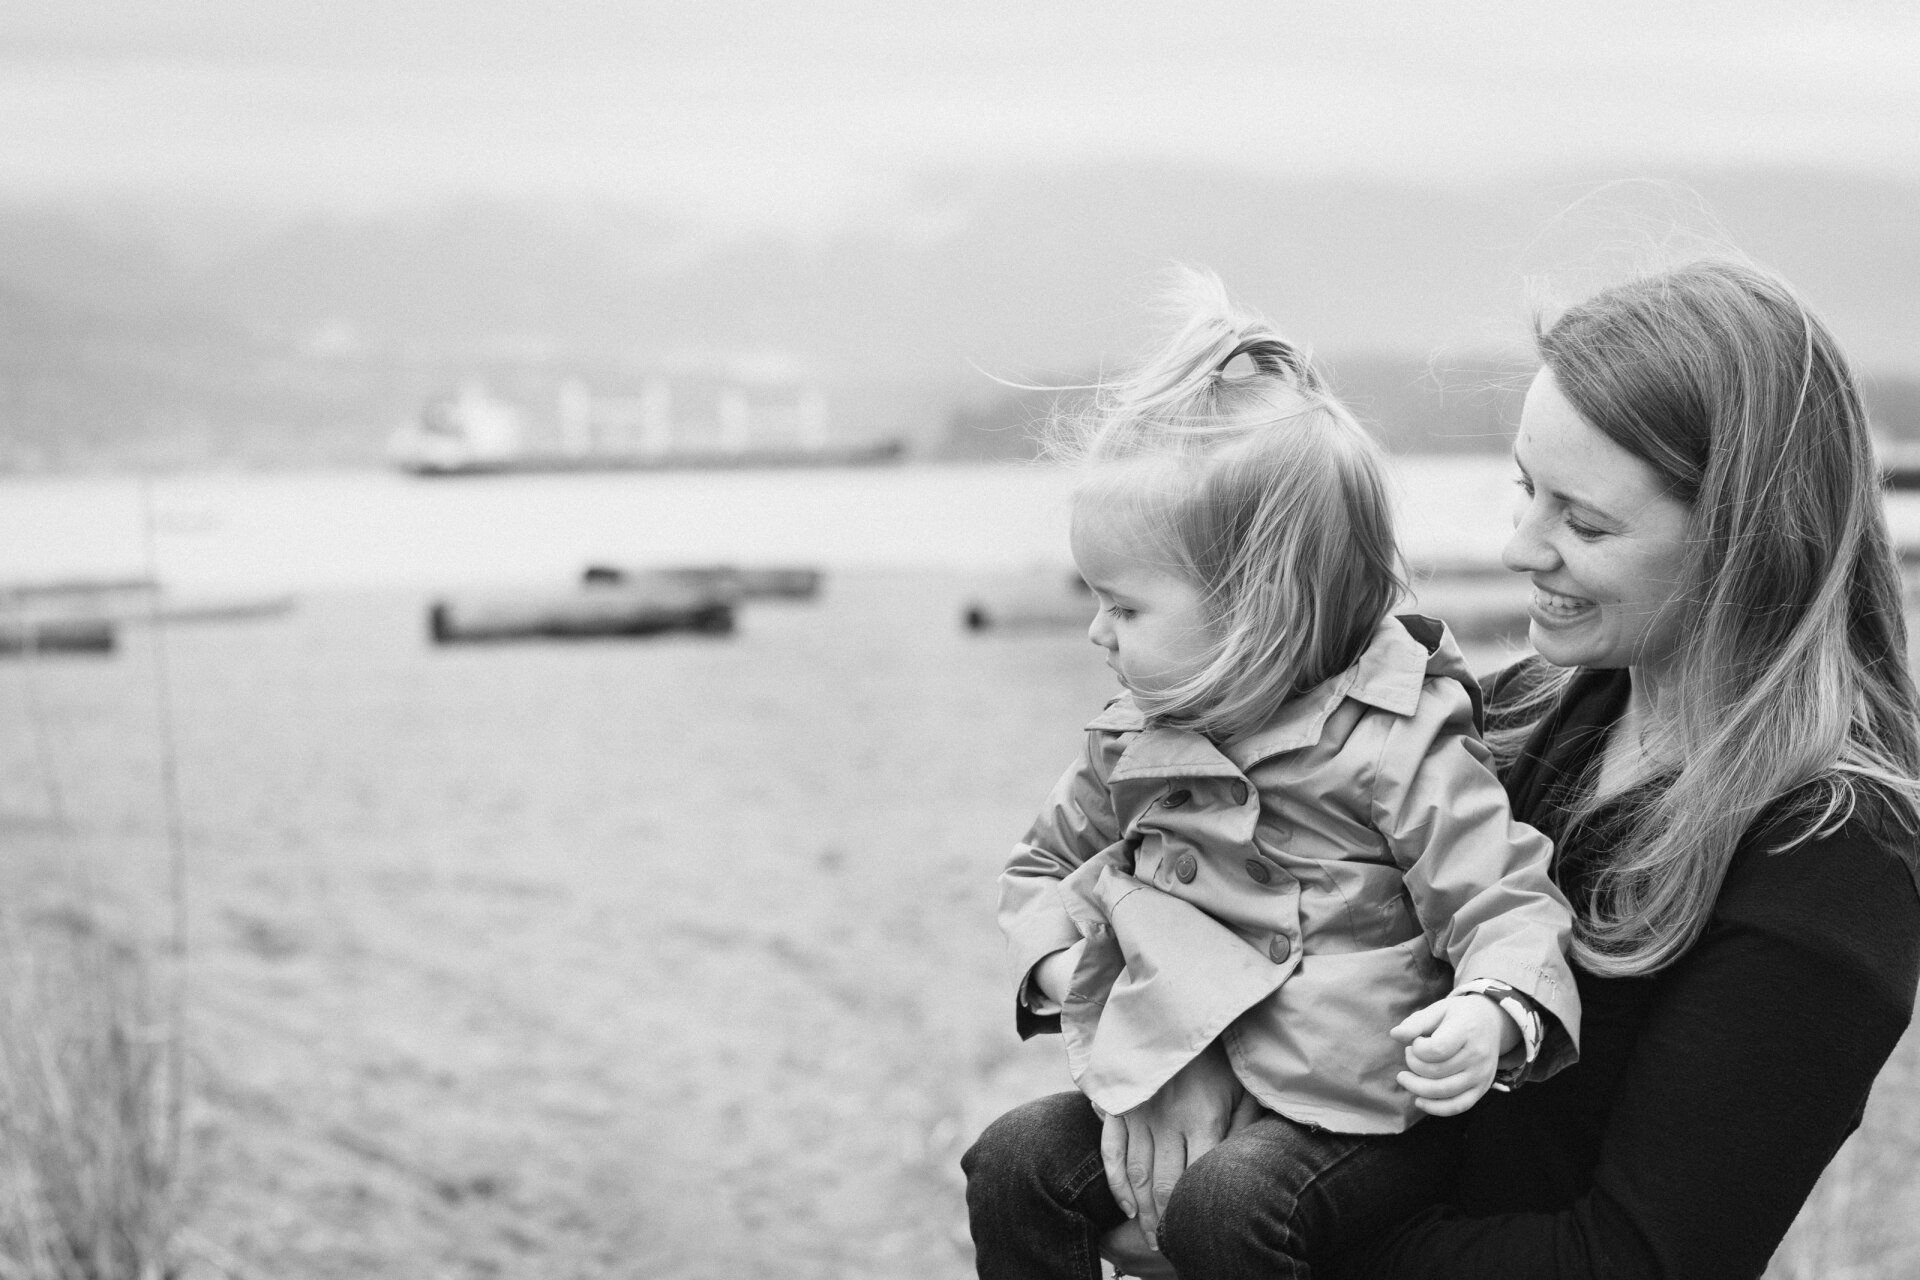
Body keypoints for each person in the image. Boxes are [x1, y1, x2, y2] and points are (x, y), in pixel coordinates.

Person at [1098, 258, 1920, 1280]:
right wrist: (1189, 1048)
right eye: (1525, 487)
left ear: (1745, 543)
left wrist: (1243, 1232)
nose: (1521, 546)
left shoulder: (1835, 855)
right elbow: (1281, 899)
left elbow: (1635, 1258)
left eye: (1584, 520)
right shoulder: (1521, 707)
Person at [962, 271, 1583, 1280]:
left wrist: (1492, 1009)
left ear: (1257, 607)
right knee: (1013, 1161)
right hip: (1171, 1068)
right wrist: (1087, 979)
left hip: (1360, 1115)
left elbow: (1506, 897)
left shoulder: (1396, 737)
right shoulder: (1133, 738)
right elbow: (1037, 871)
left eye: (1124, 606)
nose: (1094, 630)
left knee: (1229, 1205)